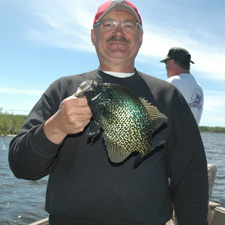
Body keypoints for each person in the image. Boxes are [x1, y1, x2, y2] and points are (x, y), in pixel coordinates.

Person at [9, 1, 209, 225]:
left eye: (129, 25)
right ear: (93, 36)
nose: (118, 32)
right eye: (108, 24)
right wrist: (57, 126)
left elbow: (191, 177)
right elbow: (21, 167)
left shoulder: (168, 96)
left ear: (140, 38)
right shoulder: (63, 89)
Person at [160, 47, 204, 125]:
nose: (165, 67)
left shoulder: (174, 81)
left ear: (172, 62)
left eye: (166, 63)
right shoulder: (198, 87)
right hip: (193, 137)